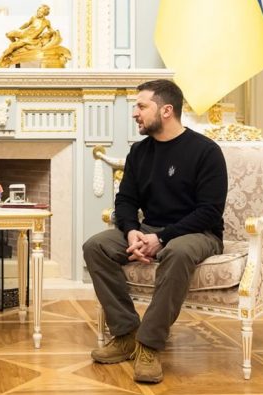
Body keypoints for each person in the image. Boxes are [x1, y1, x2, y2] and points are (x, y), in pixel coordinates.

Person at [82, 79, 227, 384]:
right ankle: (125, 333)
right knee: (96, 246)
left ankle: (149, 344)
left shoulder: (206, 152)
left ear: (166, 110)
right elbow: (125, 201)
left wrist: (162, 238)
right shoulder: (139, 152)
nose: (135, 113)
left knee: (177, 251)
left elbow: (209, 211)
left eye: (141, 106)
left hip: (198, 233)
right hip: (149, 228)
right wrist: (131, 231)